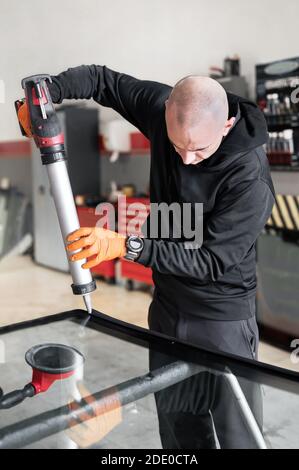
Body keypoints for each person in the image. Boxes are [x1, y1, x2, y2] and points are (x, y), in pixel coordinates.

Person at [19, 65, 275, 448]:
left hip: (221, 319)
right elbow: (103, 81)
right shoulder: (161, 108)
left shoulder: (249, 178)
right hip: (168, 310)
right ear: (166, 109)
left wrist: (128, 246)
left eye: (199, 150)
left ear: (225, 127)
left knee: (239, 434)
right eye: (176, 146)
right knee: (177, 427)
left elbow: (211, 263)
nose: (186, 160)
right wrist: (48, 91)